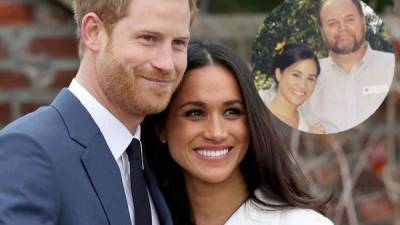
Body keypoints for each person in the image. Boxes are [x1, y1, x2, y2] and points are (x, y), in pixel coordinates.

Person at [0, 0, 196, 224]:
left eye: (179, 43)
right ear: (93, 32)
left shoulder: (152, 158)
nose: (167, 64)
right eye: (148, 38)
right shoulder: (30, 151)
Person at [142, 41, 333, 225]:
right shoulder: (141, 215)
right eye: (195, 113)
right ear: (161, 128)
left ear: (251, 123)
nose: (216, 133)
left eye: (232, 112)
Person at [302, 0, 396, 133]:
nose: (342, 28)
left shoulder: (388, 66)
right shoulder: (305, 78)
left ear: (363, 23)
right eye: (332, 23)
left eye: (349, 19)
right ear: (322, 32)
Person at [259, 43, 325, 134]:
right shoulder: (255, 108)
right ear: (279, 74)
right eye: (296, 75)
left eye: (310, 78)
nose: (303, 85)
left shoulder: (307, 127)